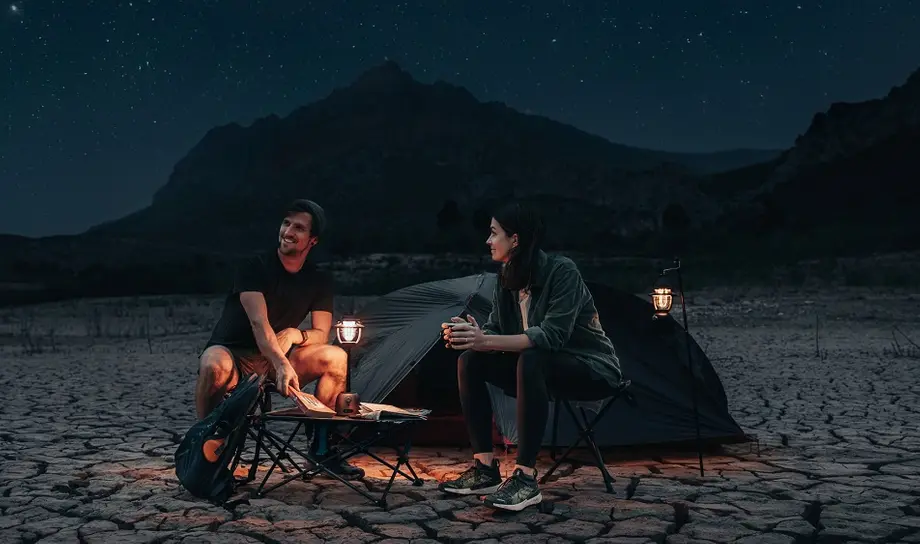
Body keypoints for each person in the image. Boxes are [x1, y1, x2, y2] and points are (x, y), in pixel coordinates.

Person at [438, 202, 622, 511]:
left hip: (589, 368)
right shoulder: (507, 277)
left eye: (494, 233)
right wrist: (473, 335)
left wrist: (485, 339)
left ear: (515, 239)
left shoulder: (562, 271)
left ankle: (525, 477)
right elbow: (496, 329)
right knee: (470, 360)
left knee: (532, 356)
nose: (488, 240)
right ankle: (485, 469)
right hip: (536, 369)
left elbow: (551, 336)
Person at [194, 198, 364, 480]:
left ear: (312, 240)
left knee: (335, 357)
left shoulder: (318, 279)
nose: (289, 231)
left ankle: (322, 449)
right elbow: (259, 324)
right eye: (286, 223)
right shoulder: (254, 267)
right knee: (214, 365)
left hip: (278, 358)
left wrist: (297, 334)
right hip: (234, 355)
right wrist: (281, 364)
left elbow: (322, 333)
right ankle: (205, 447)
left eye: (299, 228)